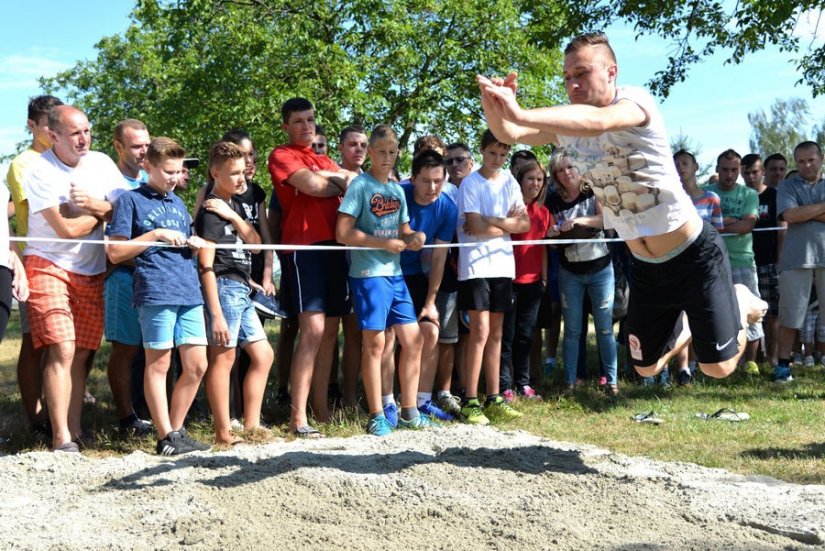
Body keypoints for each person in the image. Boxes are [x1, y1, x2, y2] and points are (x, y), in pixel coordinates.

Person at [477, 32, 767, 381]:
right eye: (567, 78)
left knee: (717, 367)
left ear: (611, 72)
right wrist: (493, 103)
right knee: (646, 366)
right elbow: (508, 132)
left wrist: (522, 110)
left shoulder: (634, 101)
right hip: (646, 265)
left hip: (693, 255)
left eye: (582, 73)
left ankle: (739, 300)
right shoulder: (568, 129)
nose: (573, 84)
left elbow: (598, 122)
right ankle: (685, 321)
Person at [23, 105, 130, 452]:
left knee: (83, 353)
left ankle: (75, 430)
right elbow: (66, 230)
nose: (83, 139)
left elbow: (126, 208)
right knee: (62, 348)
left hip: (92, 269)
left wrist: (91, 205)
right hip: (47, 263)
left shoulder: (100, 162)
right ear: (53, 136)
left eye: (87, 131)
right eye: (74, 133)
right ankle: (60, 438)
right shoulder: (39, 169)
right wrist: (101, 213)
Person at [107, 137, 210, 456]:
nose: (175, 178)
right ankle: (165, 436)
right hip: (154, 289)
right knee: (159, 362)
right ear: (147, 166)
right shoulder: (130, 200)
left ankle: (174, 431)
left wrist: (194, 242)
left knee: (196, 364)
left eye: (178, 171)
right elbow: (114, 252)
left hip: (188, 289)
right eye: (168, 171)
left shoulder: (177, 203)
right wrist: (155, 235)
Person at [267, 97, 357, 437]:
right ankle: (297, 417)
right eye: (299, 121)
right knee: (313, 332)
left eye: (310, 120)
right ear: (286, 126)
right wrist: (334, 180)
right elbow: (314, 186)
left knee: (330, 334)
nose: (306, 127)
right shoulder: (281, 154)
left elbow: (350, 184)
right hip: (304, 249)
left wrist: (329, 175)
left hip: (336, 245)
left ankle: (321, 412)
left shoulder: (323, 158)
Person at [335, 124, 430, 435]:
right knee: (374, 345)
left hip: (395, 275)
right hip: (368, 276)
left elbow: (403, 231)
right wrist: (382, 243)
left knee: (413, 340)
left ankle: (409, 410)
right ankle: (376, 413)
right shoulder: (359, 186)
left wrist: (415, 237)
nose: (387, 158)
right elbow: (343, 233)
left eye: (392, 152)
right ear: (370, 153)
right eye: (381, 152)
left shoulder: (395, 191)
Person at [195, 141, 273, 444]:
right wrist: (215, 314)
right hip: (224, 289)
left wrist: (235, 216)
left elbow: (255, 244)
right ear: (215, 173)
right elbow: (205, 265)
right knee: (223, 359)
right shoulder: (212, 212)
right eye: (233, 174)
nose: (241, 179)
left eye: (243, 172)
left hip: (242, 289)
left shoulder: (234, 206)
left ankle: (251, 425)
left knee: (264, 355)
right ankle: (223, 432)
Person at [456, 129, 529, 425]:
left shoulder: (510, 181)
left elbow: (523, 223)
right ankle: (470, 400)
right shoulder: (470, 183)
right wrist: (506, 225)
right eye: (492, 153)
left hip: (502, 265)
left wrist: (494, 222)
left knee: (498, 333)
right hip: (475, 266)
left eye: (502, 154)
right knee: (480, 332)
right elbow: (473, 224)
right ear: (482, 151)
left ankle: (494, 396)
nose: (497, 159)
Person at [6, 94, 62, 438]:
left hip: (69, 258)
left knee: (59, 342)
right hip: (34, 259)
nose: (53, 133)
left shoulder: (64, 159)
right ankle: (36, 416)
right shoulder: (23, 164)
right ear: (32, 126)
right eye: (47, 127)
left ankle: (61, 407)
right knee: (33, 340)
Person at [546, 147, 618, 395]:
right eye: (561, 170)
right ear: (555, 175)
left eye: (570, 167)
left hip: (600, 268)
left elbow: (606, 220)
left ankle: (612, 381)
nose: (567, 173)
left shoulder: (593, 190)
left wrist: (579, 222)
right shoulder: (552, 199)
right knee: (572, 330)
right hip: (569, 271)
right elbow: (549, 235)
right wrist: (554, 233)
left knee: (605, 328)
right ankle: (569, 381)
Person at [398, 150, 457, 420]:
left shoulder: (447, 207)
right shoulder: (398, 194)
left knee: (430, 332)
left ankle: (422, 401)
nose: (432, 188)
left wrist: (431, 303)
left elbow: (439, 258)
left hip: (416, 276)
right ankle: (389, 403)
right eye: (425, 181)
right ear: (413, 178)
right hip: (386, 272)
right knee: (389, 338)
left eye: (438, 181)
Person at [105, 118, 153, 436]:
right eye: (136, 146)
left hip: (155, 278)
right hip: (122, 275)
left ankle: (153, 411)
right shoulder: (107, 182)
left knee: (154, 348)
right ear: (118, 147)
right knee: (125, 349)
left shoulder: (152, 179)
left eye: (147, 145)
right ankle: (125, 417)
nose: (143, 151)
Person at [703, 150, 763, 374]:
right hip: (711, 262)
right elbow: (700, 226)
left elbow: (747, 226)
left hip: (743, 261)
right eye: (725, 169)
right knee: (714, 313)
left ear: (740, 171)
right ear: (717, 170)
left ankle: (751, 362)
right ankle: (717, 362)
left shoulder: (749, 194)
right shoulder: (706, 192)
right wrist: (731, 223)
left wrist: (715, 227)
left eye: (734, 170)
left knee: (751, 312)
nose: (729, 174)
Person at [500, 159, 551, 400]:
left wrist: (543, 279)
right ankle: (505, 386)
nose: (535, 184)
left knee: (526, 336)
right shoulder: (510, 208)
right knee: (506, 337)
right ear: (520, 180)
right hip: (509, 281)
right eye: (530, 178)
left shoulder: (544, 213)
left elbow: (542, 248)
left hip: (533, 284)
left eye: (539, 180)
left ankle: (524, 383)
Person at [775, 141, 825, 383]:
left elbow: (798, 214)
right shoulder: (786, 186)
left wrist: (805, 211)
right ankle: (783, 366)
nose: (807, 165)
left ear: (821, 158)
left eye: (811, 160)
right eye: (801, 161)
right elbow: (790, 215)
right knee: (789, 316)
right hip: (796, 258)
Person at [672, 149, 723, 384]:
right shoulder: (670, 199)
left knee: (699, 317)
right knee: (680, 318)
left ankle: (696, 363)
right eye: (677, 164)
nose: (681, 168)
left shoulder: (711, 198)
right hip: (676, 265)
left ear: (695, 167)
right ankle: (683, 369)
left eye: (685, 163)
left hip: (703, 266)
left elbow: (717, 234)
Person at [742, 153, 785, 368]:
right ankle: (749, 359)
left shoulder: (774, 195)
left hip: (769, 262)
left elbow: (781, 231)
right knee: (746, 314)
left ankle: (773, 358)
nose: (751, 177)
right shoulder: (739, 196)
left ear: (763, 172)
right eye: (747, 172)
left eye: (755, 172)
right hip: (745, 262)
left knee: (772, 314)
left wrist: (779, 260)